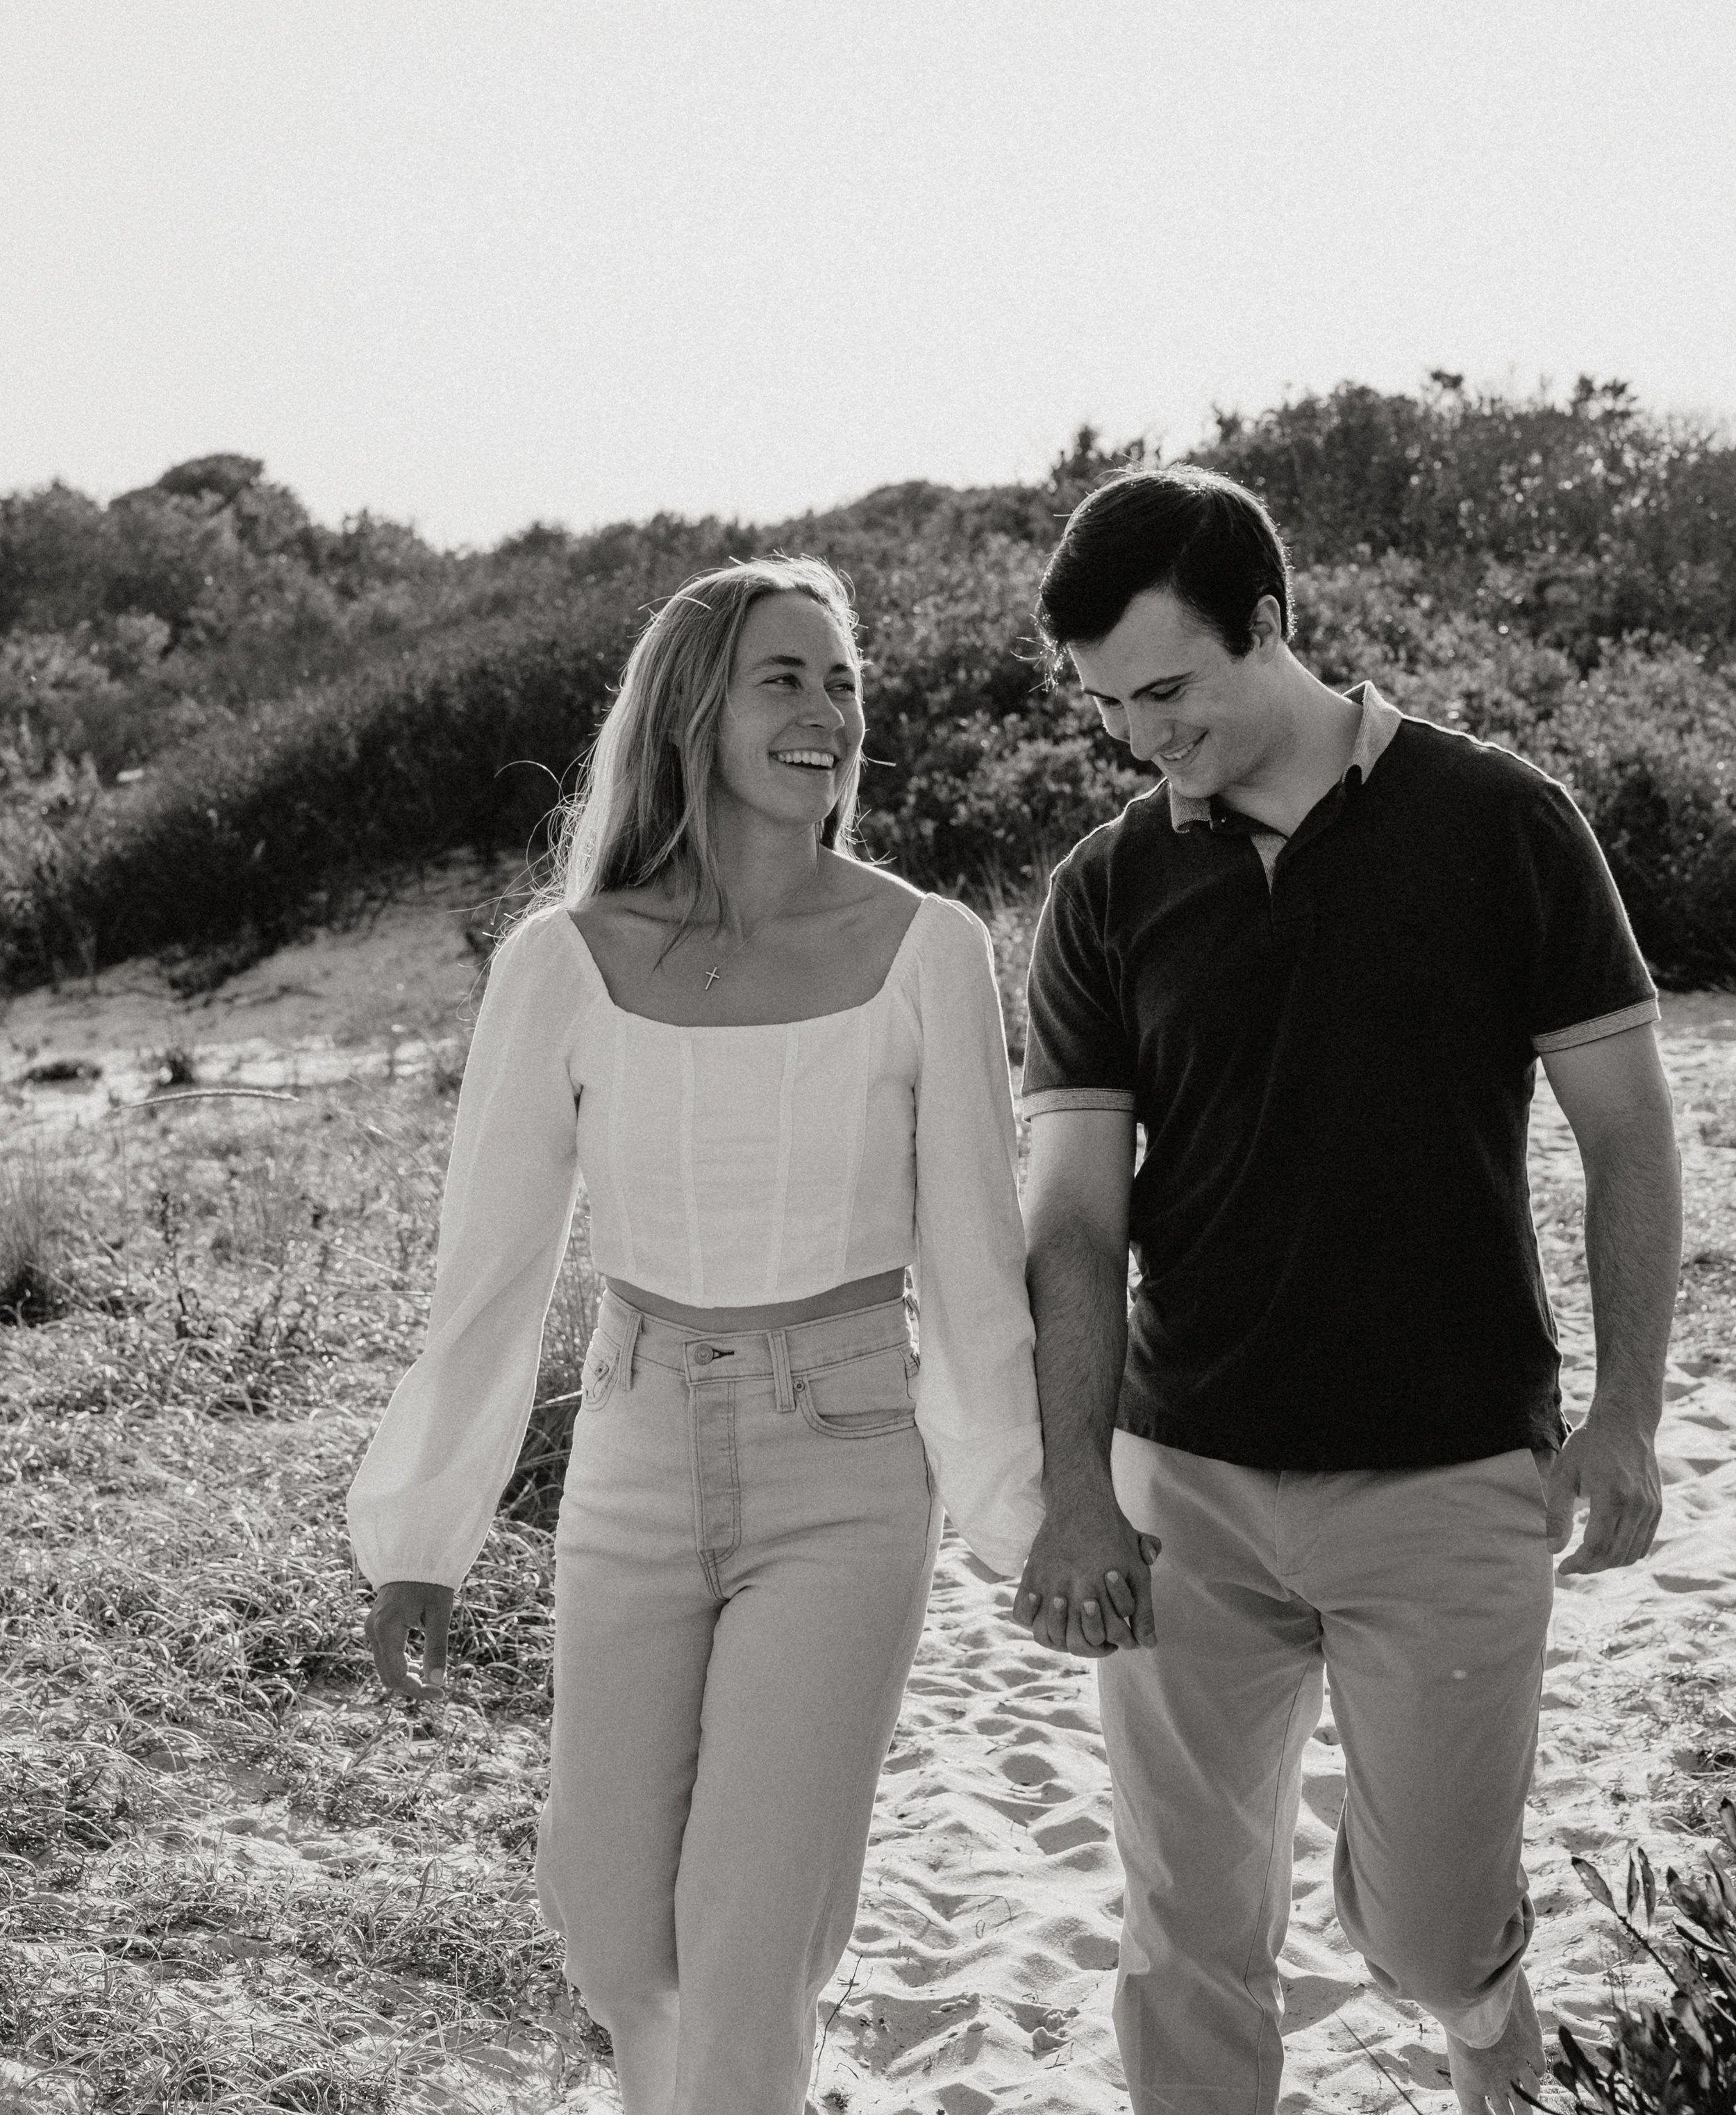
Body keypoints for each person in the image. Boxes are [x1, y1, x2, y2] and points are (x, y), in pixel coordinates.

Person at [1010, 467, 1681, 2115]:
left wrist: (1622, 1416)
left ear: (1271, 625)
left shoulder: (1499, 820)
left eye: (1166, 691)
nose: (1140, 738)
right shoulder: (1104, 889)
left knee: (1437, 1936)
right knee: (1184, 1937)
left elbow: (1627, 1134)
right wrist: (1075, 1492)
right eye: (1105, 709)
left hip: (1449, 1477)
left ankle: (1466, 1998)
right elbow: (1076, 1225)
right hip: (1191, 1487)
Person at [347, 555, 1044, 2115]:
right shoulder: (563, 961)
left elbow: (975, 1272)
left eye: (841, 682)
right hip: (635, 1446)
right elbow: (495, 1271)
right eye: (782, 679)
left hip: (850, 1462)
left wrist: (1018, 1515)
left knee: (746, 1952)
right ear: (689, 715)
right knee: (609, 1932)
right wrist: (421, 1532)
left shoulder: (928, 948)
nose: (824, 713)